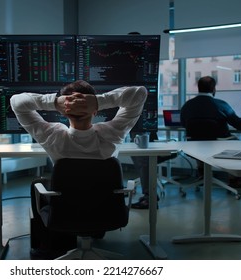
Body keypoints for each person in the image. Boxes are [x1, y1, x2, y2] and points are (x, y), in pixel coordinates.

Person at [10, 80, 148, 258]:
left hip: (66, 214)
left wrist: (54, 102)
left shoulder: (52, 136)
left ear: (63, 110)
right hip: (107, 213)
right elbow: (139, 93)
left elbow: (16, 102)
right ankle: (93, 230)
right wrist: (99, 101)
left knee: (39, 183)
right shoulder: (113, 133)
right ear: (95, 110)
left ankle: (47, 246)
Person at [180, 76, 241, 189]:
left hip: (193, 146)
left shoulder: (187, 106)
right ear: (214, 89)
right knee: (235, 143)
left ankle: (202, 175)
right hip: (218, 145)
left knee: (200, 143)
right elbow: (240, 125)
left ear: (198, 88)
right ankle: (233, 181)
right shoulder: (221, 104)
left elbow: (183, 124)